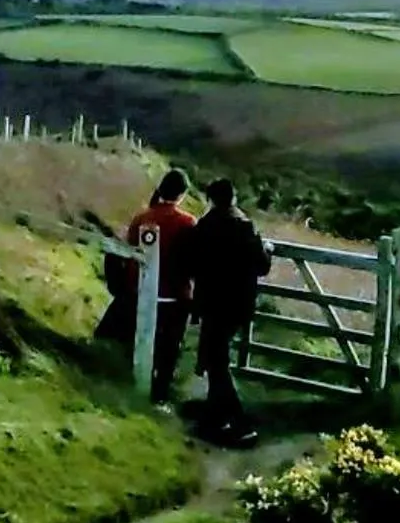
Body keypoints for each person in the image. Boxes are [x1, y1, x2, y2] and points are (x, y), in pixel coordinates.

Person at [95, 169, 200, 404]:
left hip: (139, 293)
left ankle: (130, 384)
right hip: (174, 296)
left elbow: (128, 254)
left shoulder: (142, 218)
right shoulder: (187, 222)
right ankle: (160, 396)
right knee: (169, 349)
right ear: (182, 194)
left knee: (137, 341)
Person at [184, 177, 273, 445]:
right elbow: (262, 267)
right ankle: (215, 419)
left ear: (211, 199)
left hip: (211, 301)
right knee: (215, 357)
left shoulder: (205, 226)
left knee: (216, 360)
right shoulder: (245, 226)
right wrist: (267, 250)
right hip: (237, 303)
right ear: (234, 197)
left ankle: (238, 422)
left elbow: (193, 263)